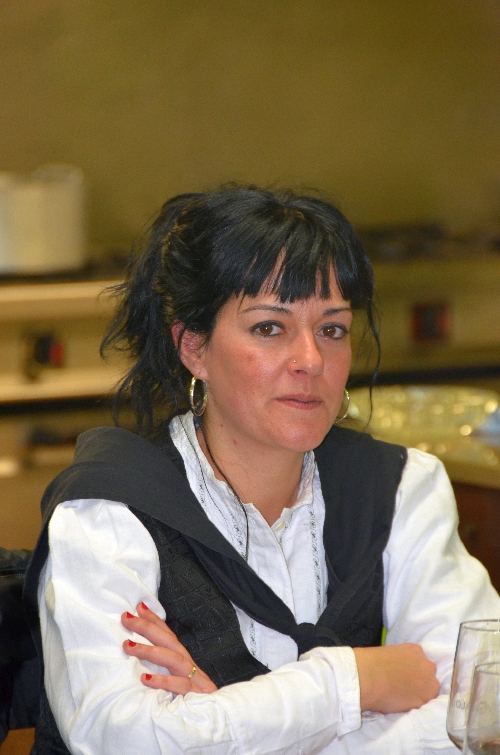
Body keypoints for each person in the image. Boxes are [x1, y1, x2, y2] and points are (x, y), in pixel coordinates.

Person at [26, 185, 500, 755]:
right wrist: (354, 682)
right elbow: (119, 739)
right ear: (193, 346)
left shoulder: (401, 488)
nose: (311, 360)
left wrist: (221, 725)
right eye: (269, 328)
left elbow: (481, 710)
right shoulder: (109, 511)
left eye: (332, 329)